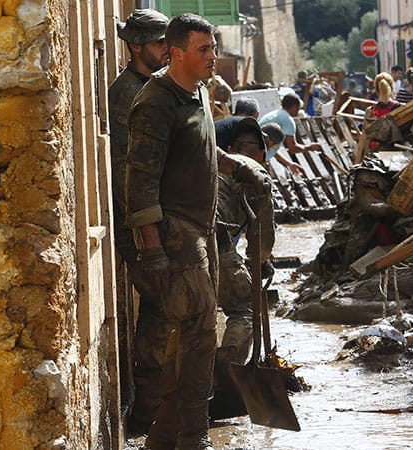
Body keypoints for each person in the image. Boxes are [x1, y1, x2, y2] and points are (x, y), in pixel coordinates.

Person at [125, 13, 263, 449]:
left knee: (195, 332)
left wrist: (236, 164)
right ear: (176, 53)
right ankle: (192, 435)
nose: (213, 57)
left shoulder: (199, 92)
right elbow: (140, 183)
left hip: (204, 228)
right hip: (174, 232)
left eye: (214, 48)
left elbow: (202, 148)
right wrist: (152, 252)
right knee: (199, 331)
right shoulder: (155, 103)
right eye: (204, 49)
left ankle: (164, 436)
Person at [107, 8, 170, 435]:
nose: (168, 50)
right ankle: (147, 411)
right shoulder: (127, 93)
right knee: (159, 312)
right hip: (143, 225)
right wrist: (148, 234)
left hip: (163, 219)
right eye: (160, 43)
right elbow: (131, 171)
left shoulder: (154, 87)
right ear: (136, 46)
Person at [216, 118, 275, 361]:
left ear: (230, 150)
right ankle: (228, 373)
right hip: (215, 240)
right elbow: (262, 235)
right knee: (247, 308)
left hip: (172, 236)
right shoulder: (257, 175)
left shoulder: (212, 161)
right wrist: (260, 262)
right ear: (262, 154)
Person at [259, 92, 322, 170]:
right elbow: (292, 148)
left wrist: (289, 164)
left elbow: (272, 148)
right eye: (299, 107)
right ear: (294, 107)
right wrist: (309, 147)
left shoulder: (274, 114)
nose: (299, 110)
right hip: (259, 158)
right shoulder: (287, 120)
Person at [355, 72, 402, 163]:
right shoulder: (398, 108)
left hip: (374, 153)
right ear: (392, 88)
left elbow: (363, 137)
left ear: (376, 89)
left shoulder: (370, 111)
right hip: (393, 154)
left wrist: (357, 161)